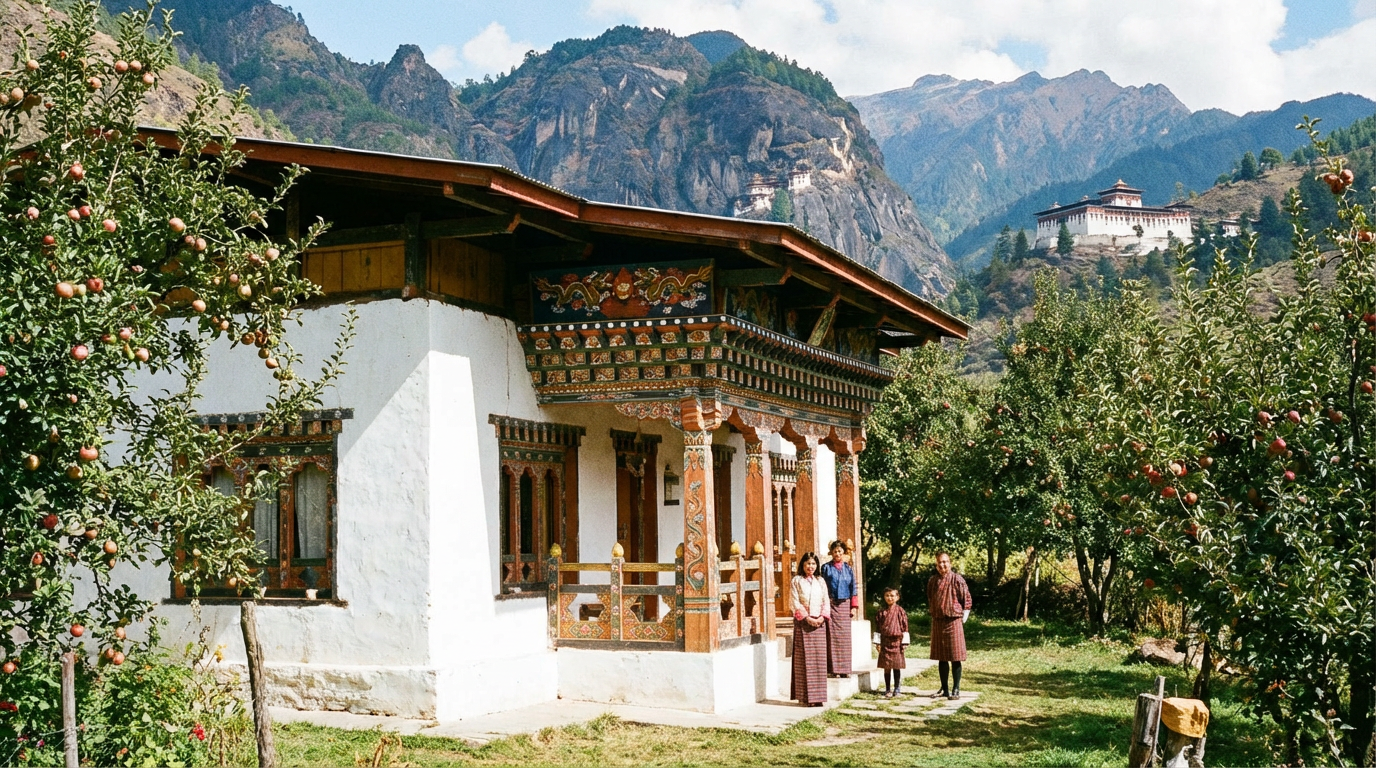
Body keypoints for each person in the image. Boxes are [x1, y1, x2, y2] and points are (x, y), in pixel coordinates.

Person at [926, 551, 972, 700]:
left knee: (955, 656)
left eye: (945, 562)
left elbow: (966, 598)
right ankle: (944, 688)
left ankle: (956, 689)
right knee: (941, 657)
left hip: (953, 621)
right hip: (938, 621)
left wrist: (963, 616)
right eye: (939, 562)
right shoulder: (933, 581)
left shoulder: (957, 579)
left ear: (950, 563)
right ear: (936, 564)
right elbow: (930, 598)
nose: (942, 565)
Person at [790, 551, 830, 706]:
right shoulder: (796, 581)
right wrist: (806, 617)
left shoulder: (820, 581)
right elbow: (794, 602)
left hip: (819, 623)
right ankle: (805, 697)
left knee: (819, 661)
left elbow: (826, 600)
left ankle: (818, 697)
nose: (810, 567)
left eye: (813, 564)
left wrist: (821, 617)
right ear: (803, 565)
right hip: (804, 623)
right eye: (808, 564)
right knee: (804, 661)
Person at [820, 539, 858, 678]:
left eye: (840, 551)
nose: (837, 553)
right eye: (835, 551)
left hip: (844, 605)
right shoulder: (826, 568)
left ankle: (845, 670)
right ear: (831, 553)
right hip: (830, 604)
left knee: (845, 639)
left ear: (843, 552)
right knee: (831, 637)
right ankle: (833, 669)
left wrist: (853, 606)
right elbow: (822, 586)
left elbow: (853, 587)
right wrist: (824, 604)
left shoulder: (848, 568)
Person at [874, 586, 909, 698]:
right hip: (885, 642)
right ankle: (888, 688)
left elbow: (905, 627)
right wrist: (877, 643)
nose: (890, 598)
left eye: (892, 596)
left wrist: (904, 643)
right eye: (887, 596)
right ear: (884, 597)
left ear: (897, 597)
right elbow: (878, 628)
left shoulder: (900, 611)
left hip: (897, 642)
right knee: (886, 667)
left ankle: (897, 688)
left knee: (896, 666)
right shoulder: (881, 612)